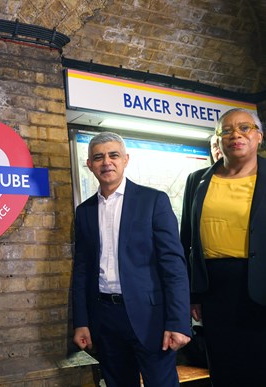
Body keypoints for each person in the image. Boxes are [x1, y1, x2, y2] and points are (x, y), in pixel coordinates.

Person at [72, 132, 191, 387]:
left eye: (113, 155)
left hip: (152, 319)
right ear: (89, 165)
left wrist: (179, 322)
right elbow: (81, 271)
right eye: (98, 157)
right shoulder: (84, 212)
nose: (107, 162)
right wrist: (81, 322)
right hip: (105, 319)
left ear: (125, 159)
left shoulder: (153, 201)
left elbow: (173, 266)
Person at [181, 108, 266, 386]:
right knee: (224, 365)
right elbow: (187, 240)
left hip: (260, 283)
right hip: (214, 290)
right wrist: (192, 293)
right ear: (218, 140)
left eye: (244, 128)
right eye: (226, 130)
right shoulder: (197, 180)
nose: (235, 135)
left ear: (259, 136)